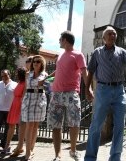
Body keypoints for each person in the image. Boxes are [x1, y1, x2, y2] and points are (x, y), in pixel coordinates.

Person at [84, 26, 126, 161]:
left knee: (120, 125)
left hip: (119, 91)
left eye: (114, 34)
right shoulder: (97, 53)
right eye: (110, 34)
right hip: (102, 90)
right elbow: (90, 70)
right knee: (96, 124)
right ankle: (90, 157)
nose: (113, 36)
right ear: (103, 38)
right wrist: (87, 89)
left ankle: (115, 157)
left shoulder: (121, 52)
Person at [46, 31, 89, 161]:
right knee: (55, 125)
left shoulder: (78, 54)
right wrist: (47, 78)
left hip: (71, 93)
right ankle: (57, 155)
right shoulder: (60, 56)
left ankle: (73, 151)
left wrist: (89, 89)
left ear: (65, 40)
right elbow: (58, 70)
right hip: (56, 94)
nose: (59, 41)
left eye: (60, 39)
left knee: (74, 123)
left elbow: (84, 73)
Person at [21, 55, 48, 161]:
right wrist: (22, 101)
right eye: (34, 61)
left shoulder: (45, 75)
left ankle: (32, 149)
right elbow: (25, 89)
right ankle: (27, 151)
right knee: (29, 125)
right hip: (28, 100)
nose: (35, 63)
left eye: (38, 61)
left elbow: (48, 88)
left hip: (40, 100)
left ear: (42, 64)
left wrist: (45, 82)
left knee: (35, 126)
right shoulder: (28, 74)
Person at [4, 67, 27, 156]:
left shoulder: (25, 83)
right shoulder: (19, 83)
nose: (16, 74)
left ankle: (20, 146)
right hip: (15, 104)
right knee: (11, 125)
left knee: (21, 126)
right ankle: (7, 145)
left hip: (21, 104)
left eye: (17, 73)